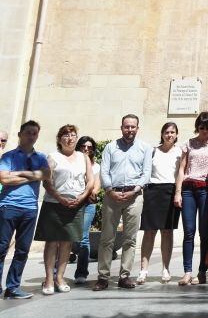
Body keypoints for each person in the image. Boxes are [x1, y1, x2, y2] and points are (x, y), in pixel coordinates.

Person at [94, 114, 152, 291]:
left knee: (130, 239)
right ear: (121, 128)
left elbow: (146, 173)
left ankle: (124, 276)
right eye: (126, 127)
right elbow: (104, 171)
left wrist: (134, 191)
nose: (130, 130)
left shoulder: (145, 148)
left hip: (134, 196)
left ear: (137, 128)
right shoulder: (111, 147)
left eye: (133, 127)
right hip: (112, 195)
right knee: (106, 238)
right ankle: (103, 277)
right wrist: (110, 191)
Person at [36, 124, 94, 294]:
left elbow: (90, 180)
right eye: (66, 135)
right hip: (54, 203)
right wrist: (60, 198)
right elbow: (46, 181)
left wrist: (82, 197)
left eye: (73, 135)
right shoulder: (53, 157)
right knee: (52, 242)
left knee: (67, 242)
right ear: (59, 139)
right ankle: (48, 279)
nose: (70, 138)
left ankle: (60, 278)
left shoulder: (83, 157)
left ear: (77, 138)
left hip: (76, 203)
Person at [0, 120, 50, 299]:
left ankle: (13, 287)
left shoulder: (41, 157)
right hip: (8, 206)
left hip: (30, 208)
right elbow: (4, 180)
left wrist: (19, 174)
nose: (31, 136)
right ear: (20, 135)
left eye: (34, 133)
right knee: (1, 248)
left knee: (22, 250)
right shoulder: (9, 157)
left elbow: (46, 175)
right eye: (28, 132)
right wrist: (32, 176)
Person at [174, 111, 208, 286]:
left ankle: (202, 271)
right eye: (202, 127)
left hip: (206, 189)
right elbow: (182, 168)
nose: (205, 131)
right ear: (197, 127)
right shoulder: (189, 144)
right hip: (188, 189)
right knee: (189, 231)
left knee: (204, 231)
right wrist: (178, 192)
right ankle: (187, 272)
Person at [137, 122, 182, 285]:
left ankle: (165, 268)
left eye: (172, 132)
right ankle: (143, 270)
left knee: (167, 232)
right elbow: (145, 171)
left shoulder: (181, 152)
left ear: (177, 134)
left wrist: (178, 192)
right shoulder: (153, 151)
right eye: (166, 132)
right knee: (149, 232)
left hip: (171, 191)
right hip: (153, 191)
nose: (169, 135)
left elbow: (181, 173)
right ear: (162, 134)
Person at [74, 136, 100, 284]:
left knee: (83, 237)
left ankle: (81, 273)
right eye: (83, 146)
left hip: (88, 203)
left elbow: (97, 185)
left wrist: (93, 192)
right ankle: (55, 272)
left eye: (89, 147)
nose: (86, 149)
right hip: (72, 202)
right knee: (64, 237)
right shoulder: (73, 162)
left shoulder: (96, 166)